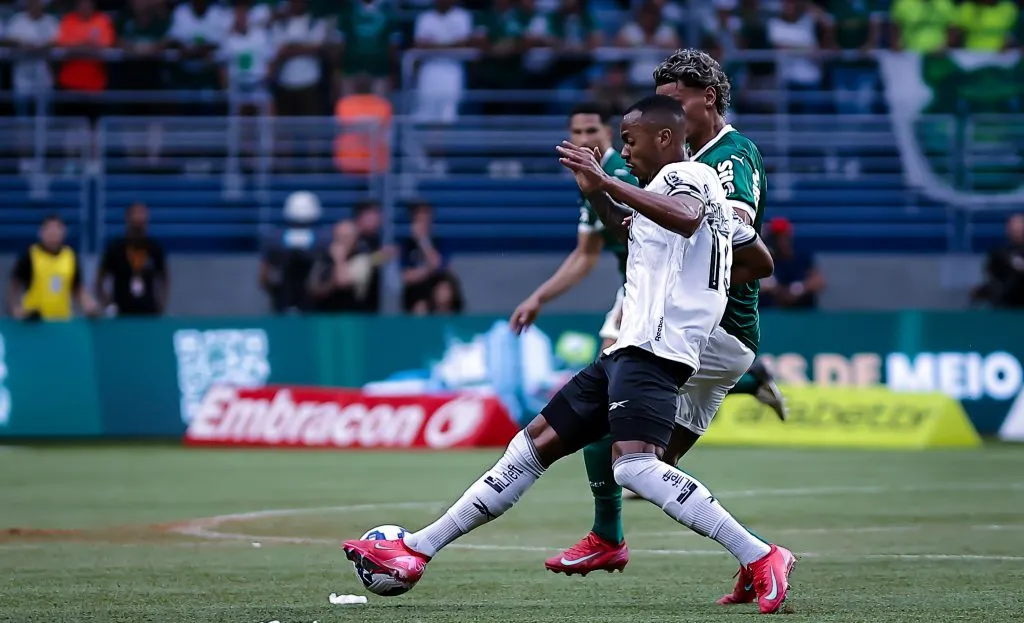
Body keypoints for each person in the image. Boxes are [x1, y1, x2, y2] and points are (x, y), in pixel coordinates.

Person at [342, 95, 795, 616]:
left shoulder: (686, 179)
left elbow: (689, 218)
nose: (621, 147)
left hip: (655, 349)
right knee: (532, 445)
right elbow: (753, 256)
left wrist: (611, 189)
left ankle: (761, 555)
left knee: (636, 469)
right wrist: (606, 201)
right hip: (631, 348)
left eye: (630, 138)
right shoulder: (671, 190)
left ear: (665, 139)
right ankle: (417, 550)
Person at [544, 49, 788, 590]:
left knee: (606, 429)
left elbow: (726, 237)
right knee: (651, 466)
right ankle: (756, 559)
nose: (669, 114)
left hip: (707, 330)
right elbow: (639, 230)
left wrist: (612, 188)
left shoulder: (729, 157)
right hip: (712, 335)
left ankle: (607, 540)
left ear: (709, 97)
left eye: (677, 102)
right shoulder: (670, 166)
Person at [7, 214, 99, 321]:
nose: (53, 234)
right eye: (49, 229)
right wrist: (15, 308)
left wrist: (88, 305)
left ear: (64, 232)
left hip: (62, 321)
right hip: (35, 321)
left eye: (57, 229)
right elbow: (14, 284)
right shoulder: (31, 255)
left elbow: (77, 288)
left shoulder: (70, 256)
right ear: (41, 232)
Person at [95, 203, 169, 316]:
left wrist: (161, 304)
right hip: (121, 313)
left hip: (149, 313)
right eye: (136, 213)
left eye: (143, 214)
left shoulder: (155, 248)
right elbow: (100, 279)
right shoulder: (116, 248)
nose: (140, 217)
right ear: (127, 218)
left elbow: (164, 279)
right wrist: (107, 304)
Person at [760, 217, 825, 309]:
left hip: (802, 311)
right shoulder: (767, 258)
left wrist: (801, 288)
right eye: (776, 237)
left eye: (784, 236)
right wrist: (773, 287)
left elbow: (819, 282)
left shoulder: (801, 257)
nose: (781, 241)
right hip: (773, 313)